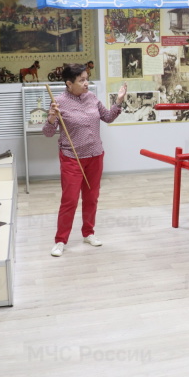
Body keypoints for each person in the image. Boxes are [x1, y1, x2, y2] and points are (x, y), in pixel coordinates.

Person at [44, 63, 127, 257]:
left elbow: (107, 117)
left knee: (91, 197)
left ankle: (88, 233)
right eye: (81, 80)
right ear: (69, 83)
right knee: (70, 200)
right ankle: (60, 240)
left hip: (95, 155)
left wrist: (119, 101)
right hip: (71, 157)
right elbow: (48, 133)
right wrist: (50, 117)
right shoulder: (58, 102)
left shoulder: (91, 98)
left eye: (86, 78)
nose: (86, 83)